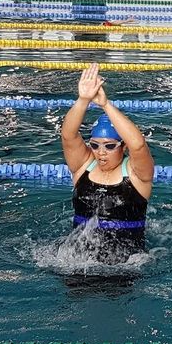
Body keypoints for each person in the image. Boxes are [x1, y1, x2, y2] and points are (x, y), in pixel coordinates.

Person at [61, 63, 154, 264]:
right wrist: (83, 100)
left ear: (123, 146)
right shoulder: (84, 166)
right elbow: (68, 136)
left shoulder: (137, 175)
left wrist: (105, 104)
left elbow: (138, 144)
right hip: (77, 262)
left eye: (110, 146)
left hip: (123, 267)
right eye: (94, 145)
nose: (101, 153)